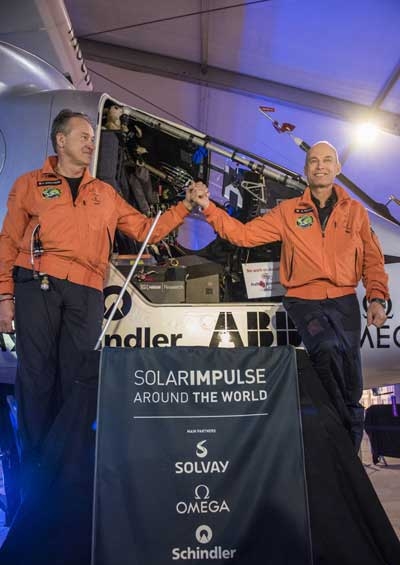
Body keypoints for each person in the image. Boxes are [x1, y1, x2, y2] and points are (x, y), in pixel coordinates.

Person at [0, 108, 195, 489]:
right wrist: (4, 295)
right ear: (61, 141)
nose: (91, 143)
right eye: (84, 136)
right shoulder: (29, 184)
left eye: (92, 138)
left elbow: (145, 230)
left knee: (77, 381)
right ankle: (32, 479)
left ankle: (67, 475)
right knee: (36, 379)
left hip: (87, 292)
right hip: (36, 283)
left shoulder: (105, 193)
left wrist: (184, 207)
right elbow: (7, 242)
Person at [189, 141, 389, 452]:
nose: (320, 166)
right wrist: (208, 207)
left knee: (351, 381)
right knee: (326, 348)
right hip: (303, 301)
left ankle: (348, 456)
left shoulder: (357, 213)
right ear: (306, 169)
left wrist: (376, 297)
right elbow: (243, 235)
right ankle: (334, 441)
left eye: (326, 161)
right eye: (313, 161)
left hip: (344, 300)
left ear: (338, 169)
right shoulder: (287, 211)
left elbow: (373, 261)